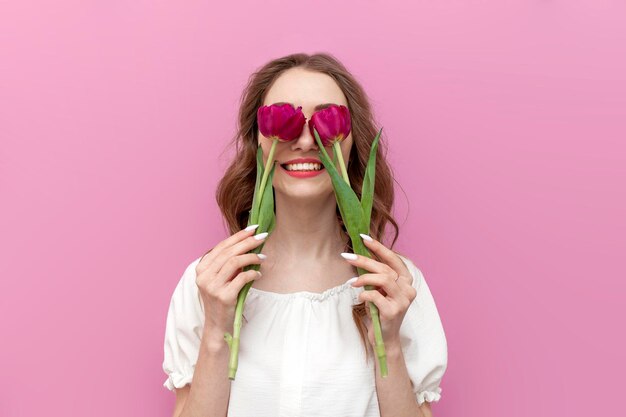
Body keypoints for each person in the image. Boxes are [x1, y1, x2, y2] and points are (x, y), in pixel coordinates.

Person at [162, 53, 448, 417]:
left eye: (325, 118)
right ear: (258, 140)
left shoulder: (396, 286)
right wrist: (218, 332)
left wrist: (388, 343)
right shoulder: (211, 282)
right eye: (286, 117)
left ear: (351, 142)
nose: (304, 140)